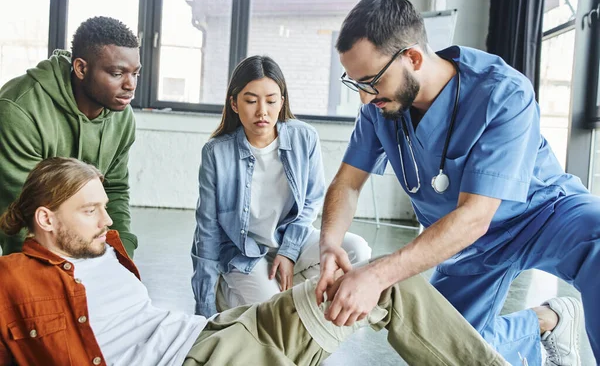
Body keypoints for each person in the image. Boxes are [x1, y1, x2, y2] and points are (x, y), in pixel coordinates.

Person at [0, 157, 509, 366]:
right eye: (89, 211)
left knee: (381, 283)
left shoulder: (106, 245)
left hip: (219, 332)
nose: (105, 220)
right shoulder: (13, 281)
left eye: (103, 207)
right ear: (45, 219)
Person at [316, 0, 597, 366]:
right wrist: (330, 243)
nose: (366, 99)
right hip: (464, 244)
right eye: (357, 85)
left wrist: (375, 276)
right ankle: (546, 322)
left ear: (413, 57)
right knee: (447, 347)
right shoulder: (380, 108)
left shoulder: (502, 92)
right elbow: (348, 183)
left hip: (541, 213)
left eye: (371, 82)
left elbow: (476, 216)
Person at [191, 55, 371, 318]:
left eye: (271, 100)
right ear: (234, 103)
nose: (262, 111)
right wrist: (204, 308)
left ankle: (280, 295)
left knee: (357, 252)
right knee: (274, 311)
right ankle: (229, 295)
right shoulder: (216, 153)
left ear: (282, 102)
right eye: (251, 101)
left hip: (292, 239)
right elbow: (206, 230)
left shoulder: (304, 137)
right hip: (244, 252)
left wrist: (288, 253)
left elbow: (311, 201)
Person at [0, 16, 140, 257]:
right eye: (117, 73)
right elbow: (22, 213)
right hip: (31, 246)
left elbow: (114, 190)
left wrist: (120, 255)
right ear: (81, 68)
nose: (130, 85)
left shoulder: (122, 116)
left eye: (135, 73)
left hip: (76, 245)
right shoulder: (19, 109)